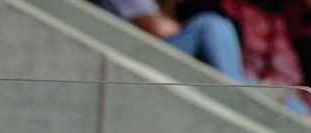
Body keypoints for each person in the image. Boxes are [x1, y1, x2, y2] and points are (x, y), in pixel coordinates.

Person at [97, 0, 249, 81]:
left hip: (148, 49)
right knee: (209, 25)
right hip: (136, 55)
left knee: (223, 25)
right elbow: (155, 27)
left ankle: (241, 84)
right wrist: (185, 29)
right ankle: (238, 89)